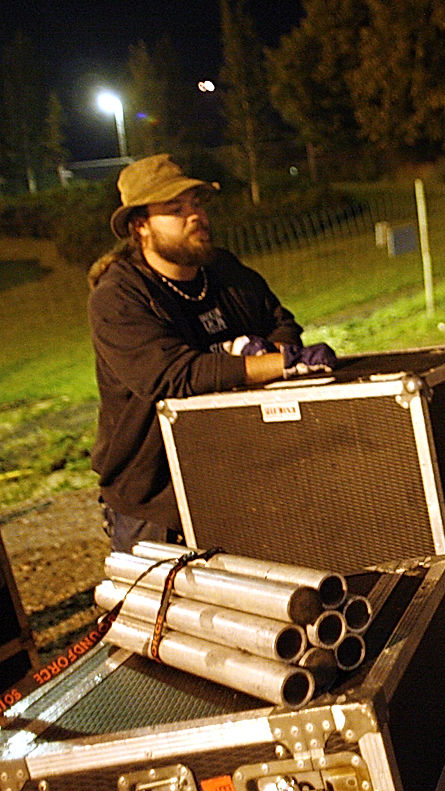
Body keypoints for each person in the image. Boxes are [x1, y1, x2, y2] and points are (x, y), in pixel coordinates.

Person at [88, 153, 338, 553]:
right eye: (175, 209)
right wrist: (282, 365)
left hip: (243, 471)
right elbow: (172, 376)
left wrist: (264, 352)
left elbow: (281, 323)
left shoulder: (224, 270)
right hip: (155, 496)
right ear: (141, 227)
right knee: (167, 610)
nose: (195, 216)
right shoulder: (119, 297)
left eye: (197, 204)